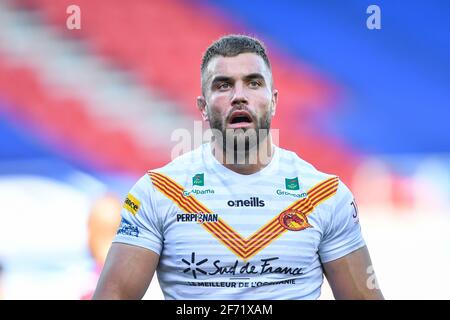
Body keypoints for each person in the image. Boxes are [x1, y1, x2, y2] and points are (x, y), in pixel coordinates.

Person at [93, 35, 384, 300]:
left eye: (254, 83)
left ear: (273, 101)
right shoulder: (157, 192)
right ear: (203, 107)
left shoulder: (325, 195)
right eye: (223, 85)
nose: (239, 96)